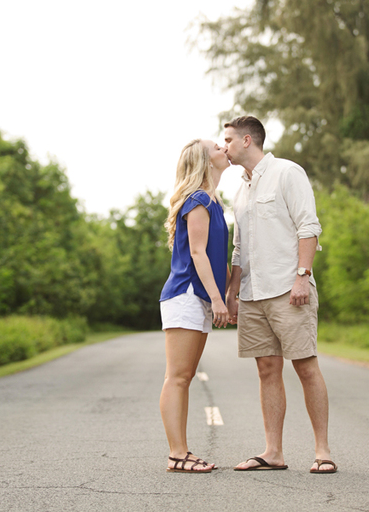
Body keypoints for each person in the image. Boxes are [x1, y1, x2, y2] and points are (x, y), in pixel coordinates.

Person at [223, 116, 337, 474]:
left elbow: (309, 226)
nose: (223, 147)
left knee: (305, 366)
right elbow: (239, 247)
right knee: (267, 369)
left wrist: (302, 276)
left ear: (246, 140)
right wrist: (233, 292)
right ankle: (273, 452)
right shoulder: (240, 191)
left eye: (227, 140)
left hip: (289, 290)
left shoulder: (287, 173)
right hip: (252, 293)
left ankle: (322, 451)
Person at [158, 139, 230, 473]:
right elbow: (198, 254)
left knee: (184, 377)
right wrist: (217, 299)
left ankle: (181, 452)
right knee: (178, 377)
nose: (223, 148)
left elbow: (218, 257)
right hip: (186, 294)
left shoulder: (214, 202)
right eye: (217, 146)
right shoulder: (198, 200)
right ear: (205, 160)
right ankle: (177, 454)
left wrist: (227, 296)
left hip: (199, 297)